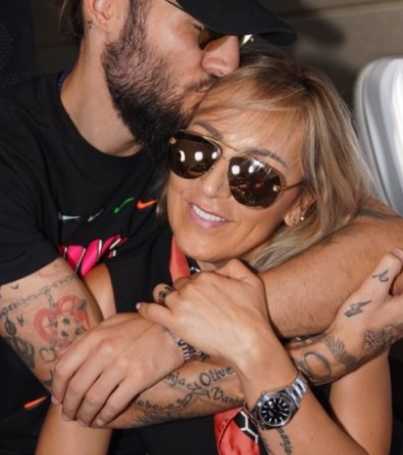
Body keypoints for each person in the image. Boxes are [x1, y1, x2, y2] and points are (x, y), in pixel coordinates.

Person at [0, 0, 402, 454]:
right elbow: (102, 394)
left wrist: (179, 336)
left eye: (255, 178)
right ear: (105, 6)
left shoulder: (182, 116)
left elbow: (387, 239)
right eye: (204, 30)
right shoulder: (20, 158)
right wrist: (318, 356)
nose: (228, 62)